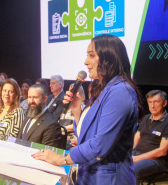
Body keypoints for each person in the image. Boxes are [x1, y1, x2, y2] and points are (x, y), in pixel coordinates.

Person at [33, 34, 143, 185]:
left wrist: (61, 159)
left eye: (91, 55)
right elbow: (84, 136)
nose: (85, 62)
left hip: (109, 179)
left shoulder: (120, 91)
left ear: (108, 58)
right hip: (90, 174)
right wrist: (77, 109)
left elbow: (99, 145)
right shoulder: (104, 90)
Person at [133, 90, 168, 185]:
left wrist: (137, 158)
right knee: (114, 161)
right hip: (138, 154)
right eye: (150, 102)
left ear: (164, 103)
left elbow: (162, 151)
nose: (152, 106)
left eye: (156, 102)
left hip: (157, 160)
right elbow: (136, 139)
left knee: (132, 169)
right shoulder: (146, 118)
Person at [18, 84, 63, 148]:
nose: (31, 101)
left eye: (35, 97)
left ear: (45, 99)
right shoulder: (28, 117)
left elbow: (46, 154)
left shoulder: (51, 124)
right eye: (29, 97)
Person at [0, 78, 25, 143]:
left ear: (15, 95)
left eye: (10, 91)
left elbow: (13, 137)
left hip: (5, 149)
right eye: (4, 90)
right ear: (1, 92)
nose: (7, 94)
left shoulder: (18, 112)